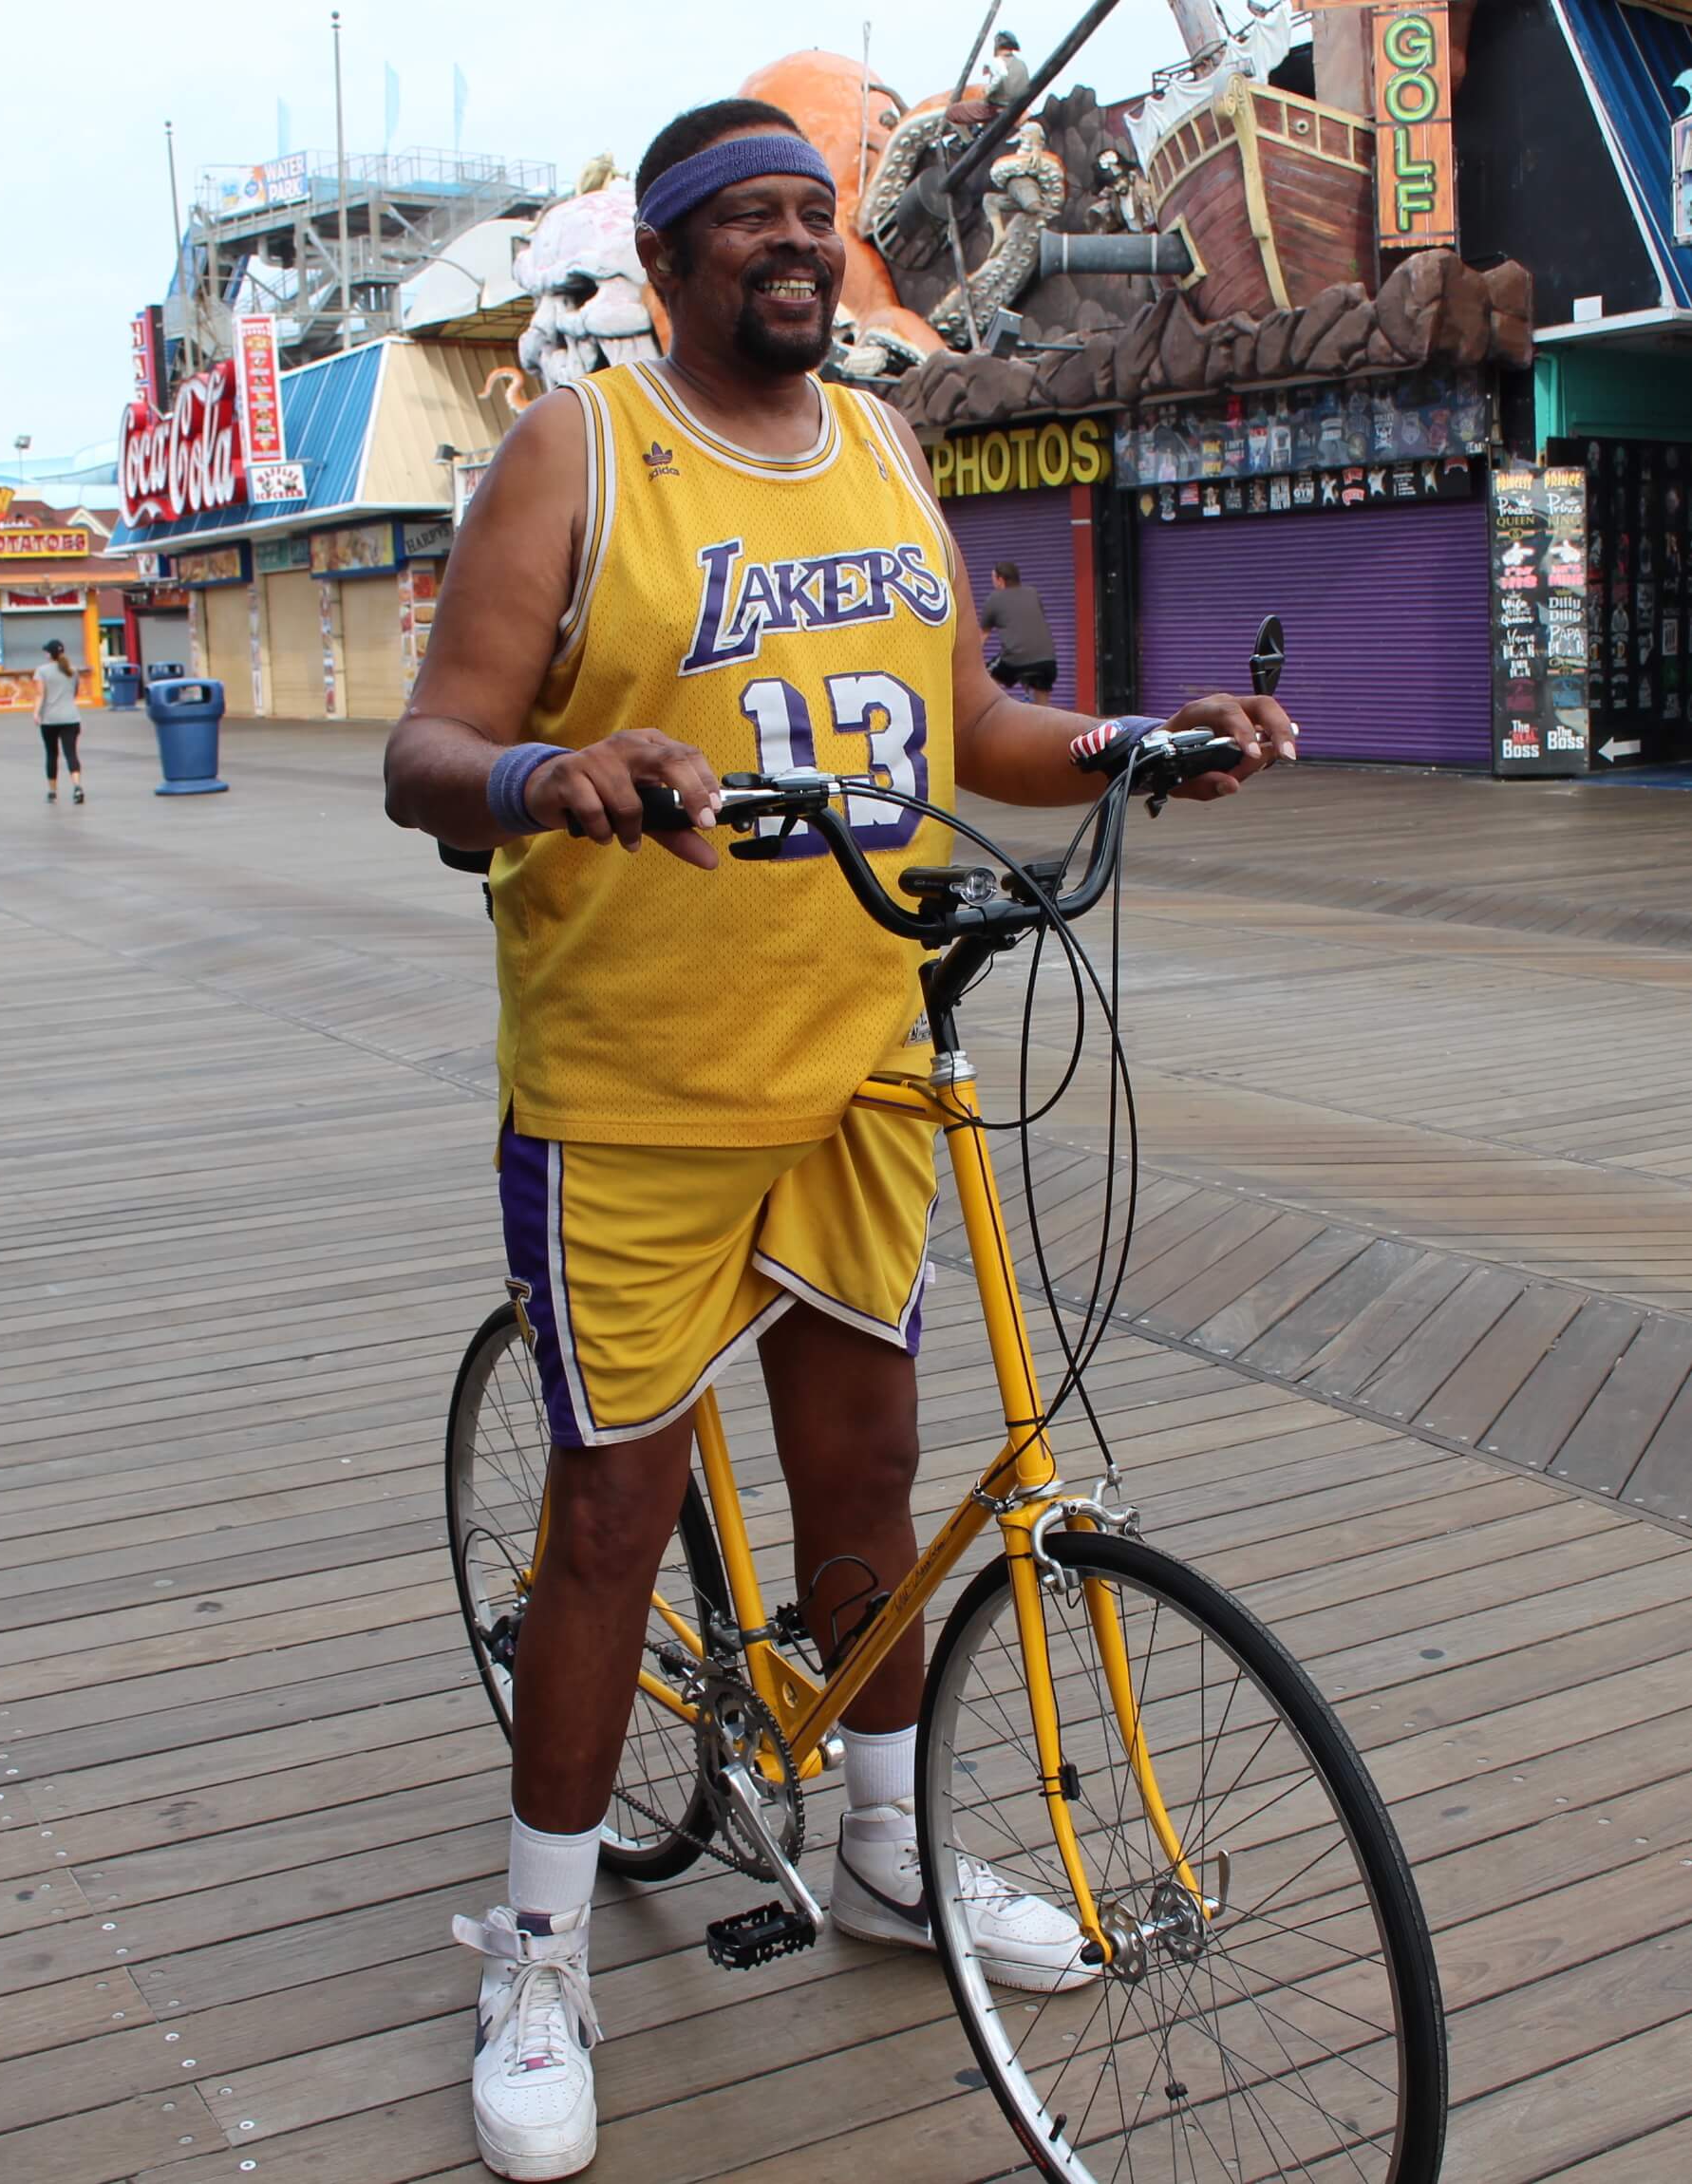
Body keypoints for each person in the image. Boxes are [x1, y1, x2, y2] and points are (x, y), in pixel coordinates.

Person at [384, 98, 1295, 2184]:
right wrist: (547, 775)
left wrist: (1135, 742)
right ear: (676, 258)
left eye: (816, 214)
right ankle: (538, 1948)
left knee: (871, 1482)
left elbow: (969, 721)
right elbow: (428, 752)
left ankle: (887, 1852)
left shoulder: (885, 446)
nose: (794, 243)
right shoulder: (580, 452)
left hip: (863, 1061)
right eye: (750, 219)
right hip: (630, 1092)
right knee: (609, 1526)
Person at [979, 560, 1060, 704]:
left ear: (1000, 580)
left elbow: (982, 637)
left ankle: (994, 716)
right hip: (1048, 661)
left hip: (1015, 659)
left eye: (993, 579)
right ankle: (1043, 721)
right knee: (1043, 708)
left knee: (983, 679)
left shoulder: (994, 599)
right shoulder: (1032, 593)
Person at [33, 638, 85, 803]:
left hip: (50, 719)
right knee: (71, 753)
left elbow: (40, 695)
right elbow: (74, 693)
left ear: (49, 654)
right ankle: (77, 786)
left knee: (51, 754)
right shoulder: (72, 670)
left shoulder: (42, 671)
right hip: (71, 718)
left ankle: (52, 791)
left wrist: (36, 713)